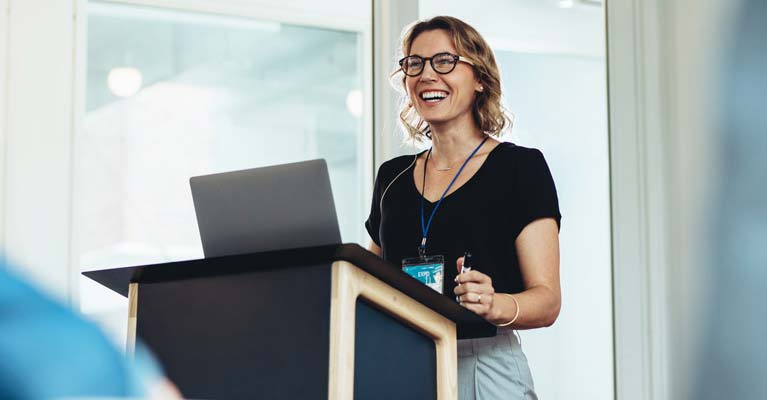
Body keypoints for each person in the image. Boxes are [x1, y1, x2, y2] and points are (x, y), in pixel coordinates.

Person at [365, 16, 561, 399]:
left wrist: (496, 304)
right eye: (414, 64)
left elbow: (548, 300)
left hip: (482, 362)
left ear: (480, 78)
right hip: (401, 362)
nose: (426, 75)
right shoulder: (392, 177)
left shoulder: (520, 168)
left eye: (445, 61)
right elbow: (369, 284)